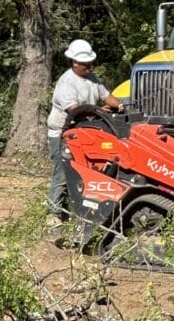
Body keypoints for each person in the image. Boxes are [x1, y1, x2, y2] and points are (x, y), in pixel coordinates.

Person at [46, 38, 123, 228]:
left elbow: (106, 96)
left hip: (84, 134)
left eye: (90, 63)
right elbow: (76, 111)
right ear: (74, 62)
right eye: (86, 63)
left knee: (87, 172)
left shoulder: (91, 78)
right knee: (64, 173)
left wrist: (120, 106)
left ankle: (82, 210)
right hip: (64, 134)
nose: (90, 66)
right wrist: (100, 112)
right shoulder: (67, 83)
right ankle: (53, 213)